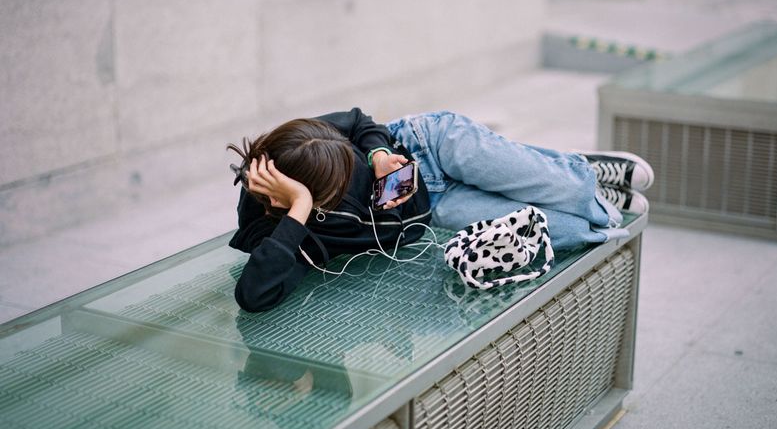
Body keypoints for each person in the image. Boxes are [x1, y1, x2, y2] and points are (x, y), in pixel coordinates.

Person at [228, 108, 653, 312]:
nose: (354, 175)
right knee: (567, 229)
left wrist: (378, 155)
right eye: (341, 184)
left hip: (429, 146)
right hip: (437, 208)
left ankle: (582, 176)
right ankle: (587, 190)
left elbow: (358, 122)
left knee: (569, 188)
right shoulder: (276, 231)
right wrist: (299, 209)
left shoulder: (302, 143)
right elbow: (253, 297)